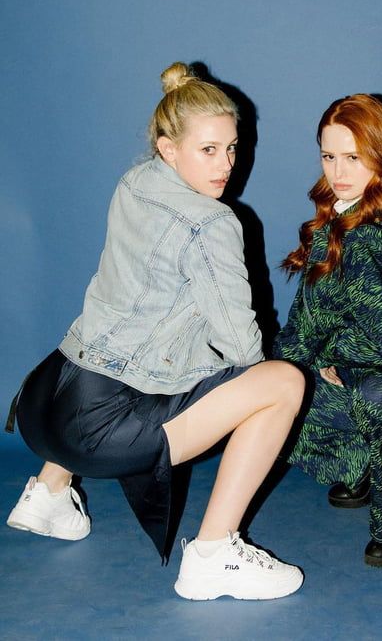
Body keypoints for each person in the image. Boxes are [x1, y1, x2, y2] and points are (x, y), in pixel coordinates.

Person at [6, 63, 305, 602]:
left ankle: (48, 493)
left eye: (232, 148)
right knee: (283, 382)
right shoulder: (212, 222)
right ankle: (213, 555)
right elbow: (242, 350)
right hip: (97, 432)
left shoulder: (136, 181)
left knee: (132, 348)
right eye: (208, 150)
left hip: (42, 404)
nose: (227, 165)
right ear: (169, 149)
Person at [273, 94, 382, 567]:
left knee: (373, 395)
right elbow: (309, 314)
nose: (338, 171)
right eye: (329, 156)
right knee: (265, 383)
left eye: (354, 158)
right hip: (362, 363)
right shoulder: (346, 216)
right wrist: (281, 361)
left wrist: (327, 356)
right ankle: (358, 464)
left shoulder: (367, 235)